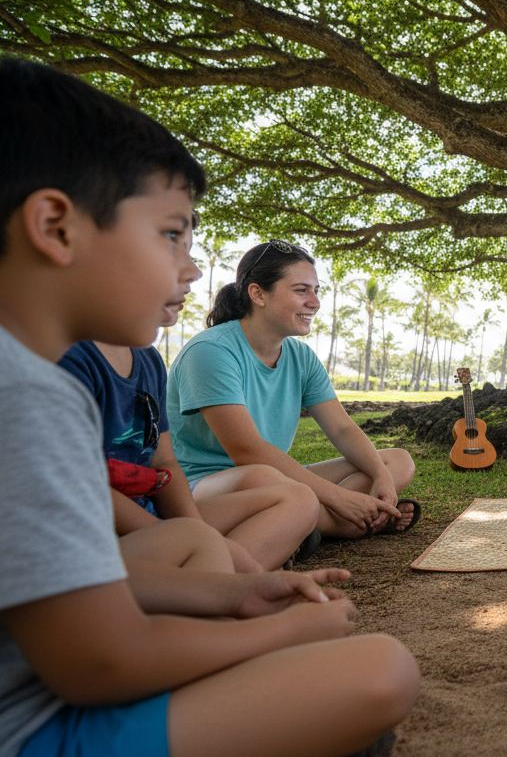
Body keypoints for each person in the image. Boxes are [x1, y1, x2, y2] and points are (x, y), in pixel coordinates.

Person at [0, 57, 416, 757]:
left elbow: (75, 574)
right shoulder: (31, 395)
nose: (191, 268)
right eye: (171, 234)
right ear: (55, 226)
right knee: (383, 670)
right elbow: (100, 662)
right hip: (37, 724)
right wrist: (276, 629)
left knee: (241, 531)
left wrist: (234, 596)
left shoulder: (33, 379)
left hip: (76, 645)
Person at [58, 214, 320, 571]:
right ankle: (215, 584)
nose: (194, 272)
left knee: (300, 499)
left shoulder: (147, 360)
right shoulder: (66, 360)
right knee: (264, 497)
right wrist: (186, 542)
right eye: (172, 247)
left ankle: (226, 575)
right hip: (90, 545)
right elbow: (78, 488)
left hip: (156, 518)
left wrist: (192, 533)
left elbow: (163, 463)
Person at [166, 240, 419, 542]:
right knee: (266, 477)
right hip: (205, 486)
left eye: (316, 290)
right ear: (258, 294)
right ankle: (335, 523)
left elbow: (341, 429)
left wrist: (380, 476)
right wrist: (338, 497)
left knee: (396, 462)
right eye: (301, 290)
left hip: (278, 481)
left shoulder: (300, 356)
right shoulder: (211, 351)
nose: (315, 302)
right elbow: (247, 451)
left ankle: (312, 523)